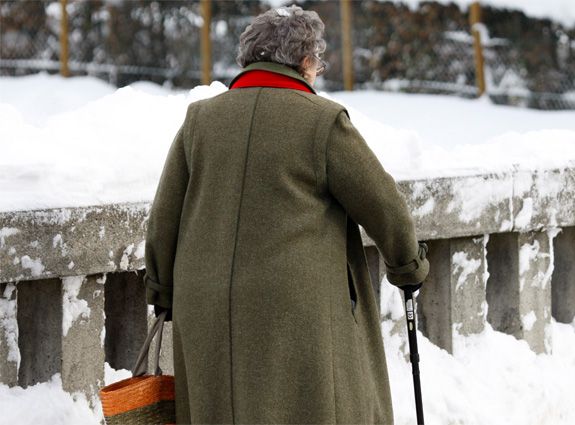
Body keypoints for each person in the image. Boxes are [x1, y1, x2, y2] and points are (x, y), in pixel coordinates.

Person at [143, 5, 429, 424]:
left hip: (204, 305)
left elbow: (163, 219)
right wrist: (408, 268)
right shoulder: (323, 122)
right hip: (293, 307)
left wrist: (162, 291)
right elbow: (386, 208)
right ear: (306, 61)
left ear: (248, 59)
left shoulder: (200, 120)